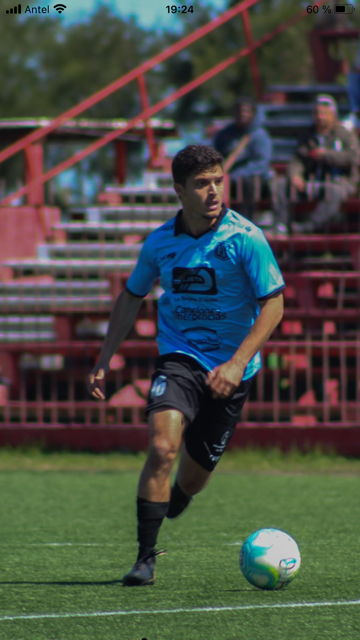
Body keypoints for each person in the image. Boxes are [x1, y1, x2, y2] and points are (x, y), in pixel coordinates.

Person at [87, 145, 285, 586]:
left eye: (218, 180)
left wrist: (236, 363)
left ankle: (176, 496)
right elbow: (131, 297)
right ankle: (145, 559)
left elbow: (274, 304)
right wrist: (104, 357)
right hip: (179, 357)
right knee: (161, 448)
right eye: (201, 183)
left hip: (234, 370)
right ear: (179, 190)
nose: (213, 190)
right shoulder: (159, 242)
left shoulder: (245, 238)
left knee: (192, 481)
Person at [271, 94, 360, 235]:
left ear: (333, 115)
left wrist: (326, 155)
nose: (320, 117)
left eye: (324, 113)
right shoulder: (308, 135)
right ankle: (280, 226)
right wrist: (295, 175)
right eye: (317, 113)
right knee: (281, 184)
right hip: (312, 182)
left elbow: (353, 158)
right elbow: (297, 159)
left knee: (335, 192)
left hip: (338, 182)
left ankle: (307, 227)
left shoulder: (346, 135)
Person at [213, 97, 273, 221]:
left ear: (253, 114)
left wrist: (235, 175)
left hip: (252, 180)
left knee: (247, 183)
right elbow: (214, 154)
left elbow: (261, 163)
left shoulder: (259, 135)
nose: (242, 114)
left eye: (247, 111)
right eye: (239, 111)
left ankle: (245, 222)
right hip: (226, 177)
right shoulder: (225, 134)